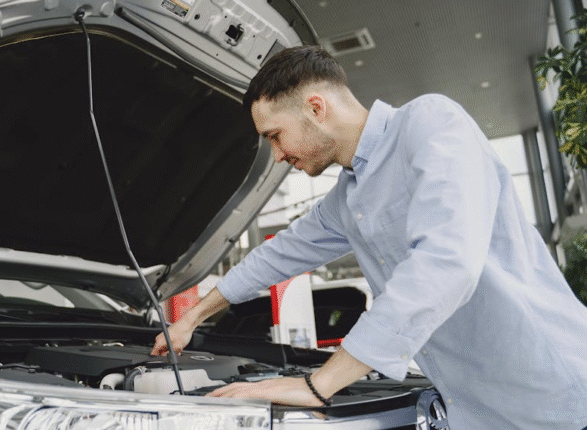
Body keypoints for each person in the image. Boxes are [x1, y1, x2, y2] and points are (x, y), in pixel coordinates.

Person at [150, 45, 587, 429]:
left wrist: (317, 386)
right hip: (475, 408)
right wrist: (192, 317)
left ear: (316, 108)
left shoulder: (431, 123)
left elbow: (445, 266)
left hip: (552, 394)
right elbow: (278, 255)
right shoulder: (347, 196)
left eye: (275, 136)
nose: (278, 156)